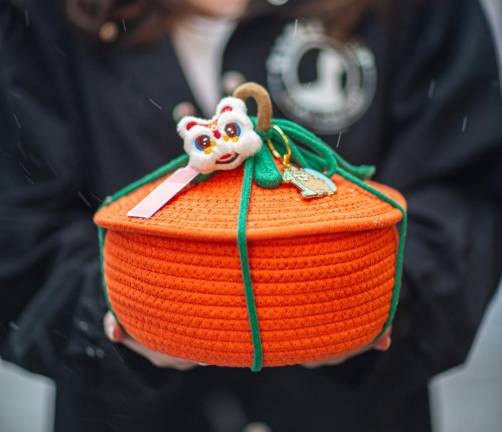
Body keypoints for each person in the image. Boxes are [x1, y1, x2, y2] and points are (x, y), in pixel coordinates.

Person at [1, 0, 501, 431]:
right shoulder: (38, 14)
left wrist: (380, 299)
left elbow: (467, 193)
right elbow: (17, 234)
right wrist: (121, 311)